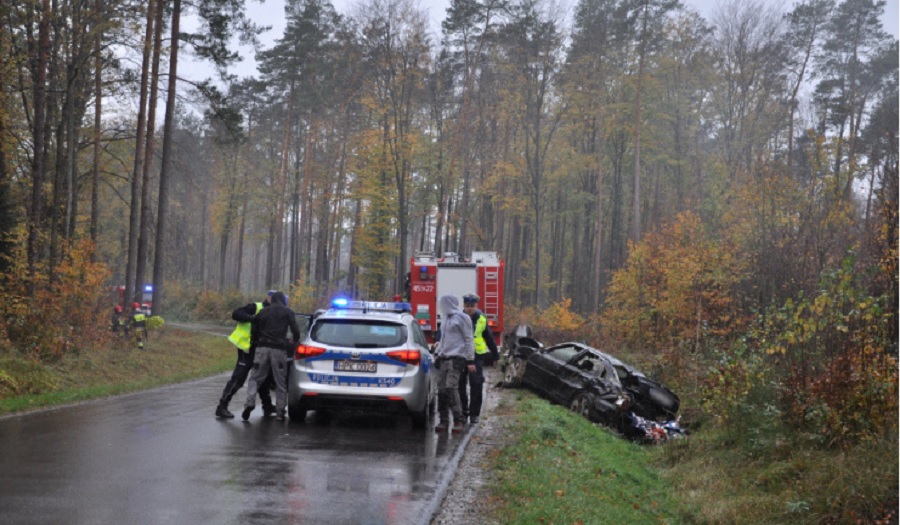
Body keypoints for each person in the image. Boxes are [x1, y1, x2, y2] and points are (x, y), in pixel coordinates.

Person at [215, 292, 276, 419]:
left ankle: (267, 406)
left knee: (263, 377)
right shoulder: (256, 307)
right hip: (246, 349)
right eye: (273, 299)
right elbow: (236, 314)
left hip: (260, 350)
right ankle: (222, 407)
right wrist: (252, 318)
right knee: (238, 378)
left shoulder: (274, 312)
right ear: (268, 298)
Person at [242, 291, 301, 422]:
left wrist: (256, 342)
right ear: (283, 300)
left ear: (272, 300)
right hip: (278, 349)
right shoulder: (288, 312)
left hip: (262, 348)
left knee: (255, 378)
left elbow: (254, 329)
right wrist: (294, 340)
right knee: (280, 381)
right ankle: (280, 412)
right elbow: (295, 330)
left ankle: (249, 403)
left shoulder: (263, 312)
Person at [434, 295, 475, 433]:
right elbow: (443, 338)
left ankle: (459, 419)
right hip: (444, 357)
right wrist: (437, 353)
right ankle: (443, 420)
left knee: (451, 388)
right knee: (441, 390)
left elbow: (469, 339)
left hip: (457, 358)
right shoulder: (445, 318)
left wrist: (470, 360)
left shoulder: (463, 318)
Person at [458, 294, 500, 424]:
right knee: (460, 385)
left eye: (472, 306)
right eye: (467, 306)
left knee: (476, 383)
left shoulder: (481, 318)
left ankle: (474, 414)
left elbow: (489, 337)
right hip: (461, 355)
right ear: (463, 306)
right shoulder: (458, 318)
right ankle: (463, 412)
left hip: (477, 356)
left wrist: (495, 355)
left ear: (476, 306)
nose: (469, 309)